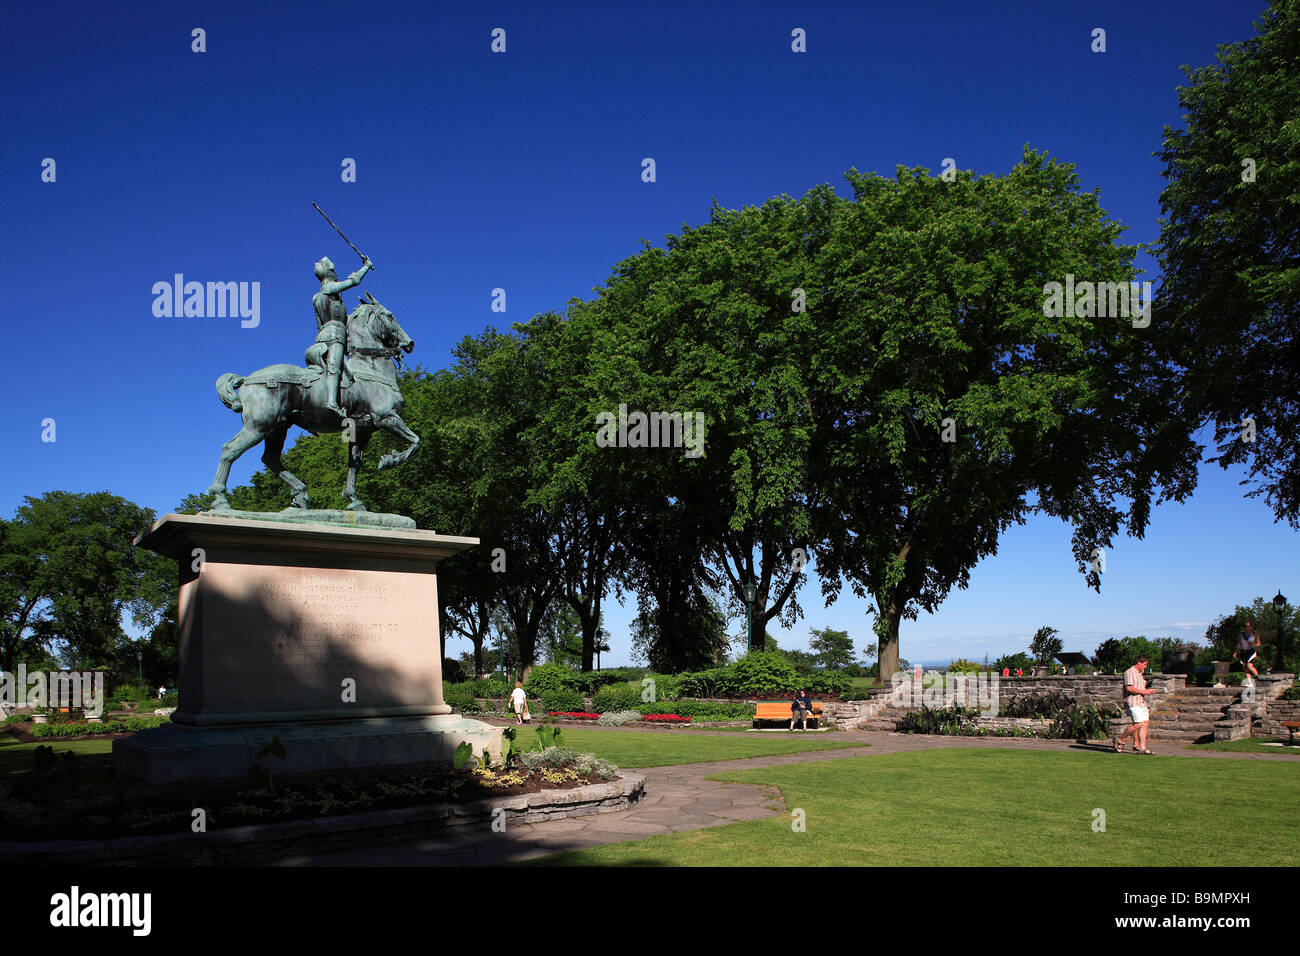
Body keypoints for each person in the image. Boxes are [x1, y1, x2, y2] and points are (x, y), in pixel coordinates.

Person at [311, 254, 374, 417]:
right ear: (328, 273)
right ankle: (332, 402)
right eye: (334, 271)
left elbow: (318, 323)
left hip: (322, 334)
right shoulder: (329, 287)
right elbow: (354, 281)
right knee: (334, 368)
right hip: (335, 335)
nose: (336, 273)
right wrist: (366, 267)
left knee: (323, 370)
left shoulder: (316, 298)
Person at [1114, 655, 1157, 754]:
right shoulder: (1129, 672)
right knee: (1139, 724)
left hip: (1141, 702)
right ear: (1139, 663)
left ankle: (1142, 748)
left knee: (1145, 724)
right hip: (1133, 702)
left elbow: (1140, 687)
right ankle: (1120, 739)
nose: (1145, 667)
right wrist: (1145, 692)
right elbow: (1130, 688)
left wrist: (1147, 691)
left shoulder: (1139, 674)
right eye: (1145, 664)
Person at [1234, 619, 1261, 686]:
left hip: (1251, 651)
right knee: (1245, 666)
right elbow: (1239, 644)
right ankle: (1249, 682)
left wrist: (1252, 644)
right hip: (1244, 652)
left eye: (1248, 626)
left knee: (1249, 666)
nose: (1247, 627)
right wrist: (1236, 652)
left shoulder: (1254, 635)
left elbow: (1258, 644)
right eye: (1246, 626)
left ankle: (1259, 678)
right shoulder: (1241, 635)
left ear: (1251, 627)